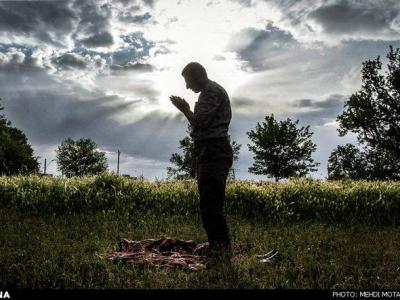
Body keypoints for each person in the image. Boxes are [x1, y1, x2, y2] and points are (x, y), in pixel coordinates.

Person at [170, 62, 233, 266]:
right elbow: (201, 123)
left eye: (188, 81)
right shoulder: (209, 93)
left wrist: (185, 109)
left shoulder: (211, 92)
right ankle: (218, 248)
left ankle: (221, 252)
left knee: (211, 205)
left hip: (214, 152)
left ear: (198, 75)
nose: (187, 86)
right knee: (209, 203)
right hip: (209, 151)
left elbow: (200, 123)